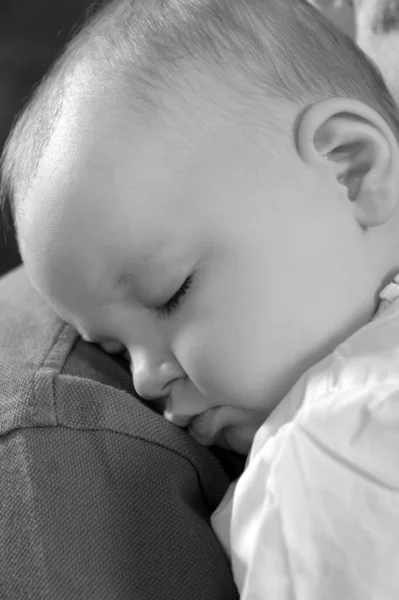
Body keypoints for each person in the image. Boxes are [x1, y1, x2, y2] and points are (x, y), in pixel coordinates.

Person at [2, 0, 399, 597]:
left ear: (350, 168)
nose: (143, 381)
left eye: (169, 295)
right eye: (113, 348)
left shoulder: (326, 455)